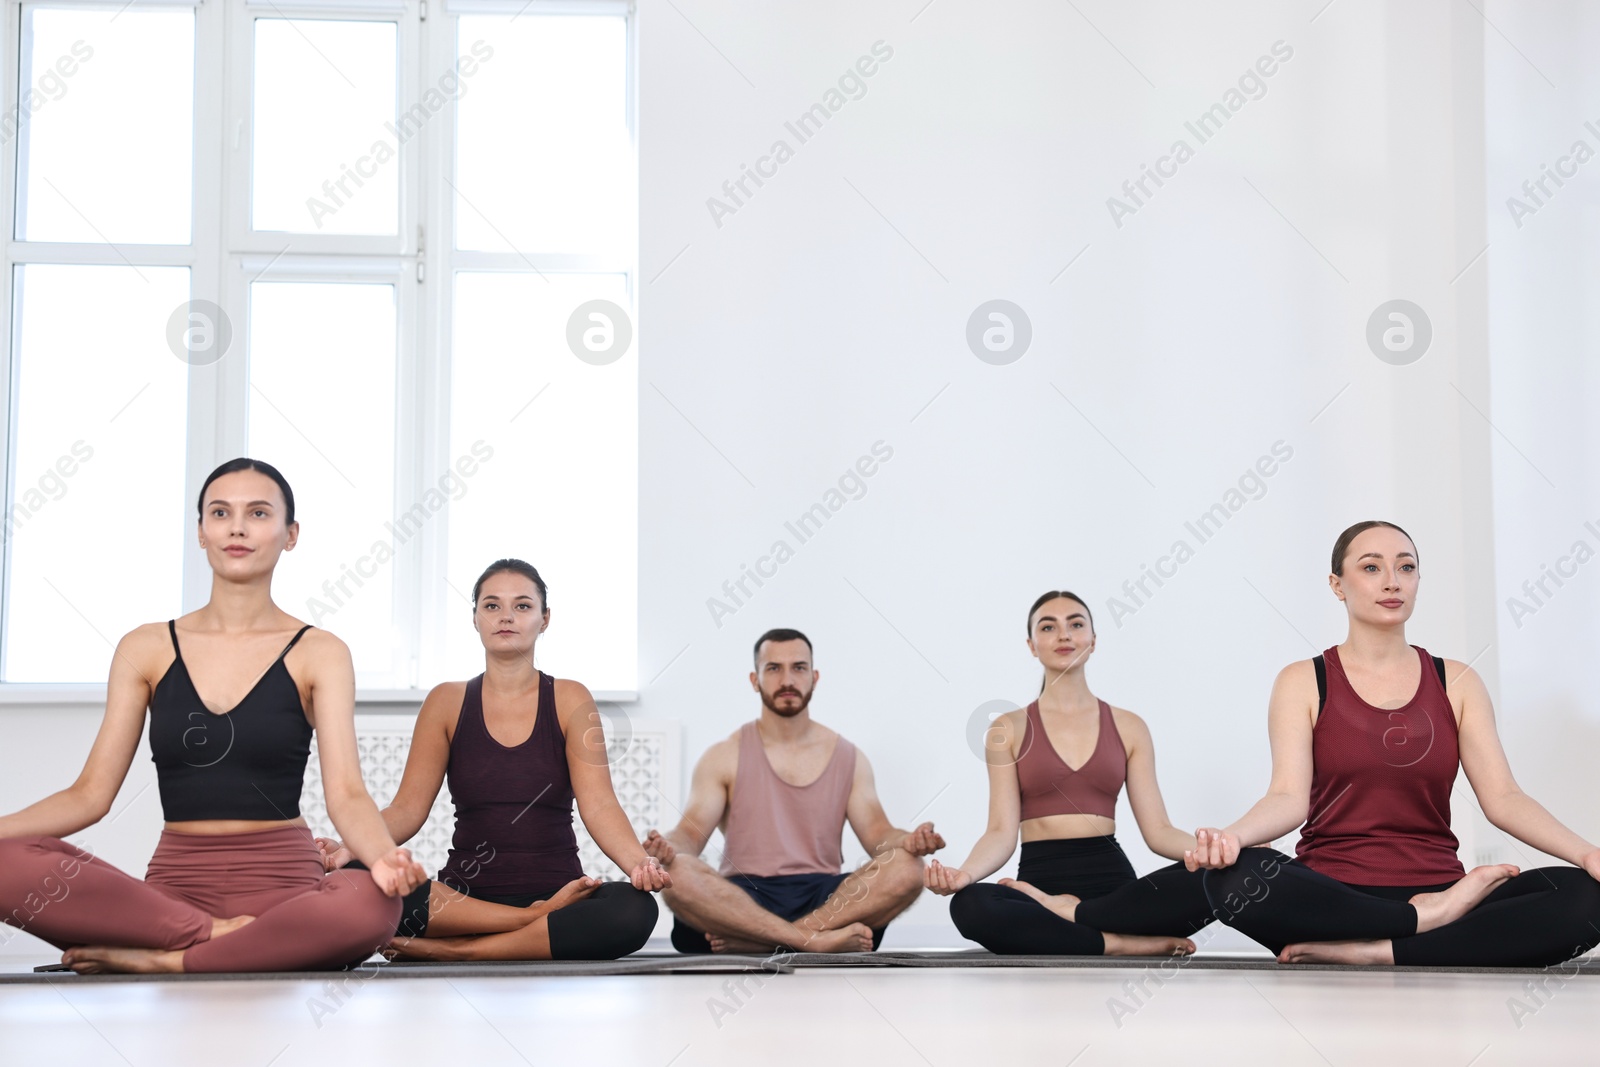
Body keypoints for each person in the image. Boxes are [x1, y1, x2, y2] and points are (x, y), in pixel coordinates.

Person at [0, 458, 424, 973]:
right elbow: (89, 795)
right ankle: (207, 939)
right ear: (201, 532)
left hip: (286, 895)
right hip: (170, 900)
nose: (238, 527)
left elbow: (347, 795)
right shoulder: (146, 646)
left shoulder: (320, 651)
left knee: (375, 903)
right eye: (220, 513)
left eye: (259, 512)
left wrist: (382, 858)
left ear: (291, 535)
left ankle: (165, 962)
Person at [1185, 521, 1600, 966]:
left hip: (1441, 886)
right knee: (1229, 880)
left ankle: (1383, 949)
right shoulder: (1301, 681)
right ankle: (1416, 926)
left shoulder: (1456, 681)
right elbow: (1287, 797)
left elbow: (1504, 797)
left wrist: (1587, 853)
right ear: (1337, 585)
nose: (1392, 581)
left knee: (1586, 898)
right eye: (1371, 567)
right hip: (1333, 896)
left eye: (1406, 567)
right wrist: (1233, 838)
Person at [321, 559, 665, 961]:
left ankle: (462, 952)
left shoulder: (571, 698)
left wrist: (639, 864)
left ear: (544, 618)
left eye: (522, 606)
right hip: (463, 901)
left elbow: (600, 804)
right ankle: (522, 926)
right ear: (475, 618)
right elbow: (407, 809)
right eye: (491, 605)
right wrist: (351, 847)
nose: (506, 617)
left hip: (560, 893)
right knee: (359, 882)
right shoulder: (445, 702)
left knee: (634, 909)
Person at [924, 591, 1210, 956]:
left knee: (1224, 877)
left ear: (1093, 641)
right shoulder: (1007, 729)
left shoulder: (1129, 726)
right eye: (1049, 626)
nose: (1064, 635)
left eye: (1076, 624)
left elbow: (1159, 832)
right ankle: (1115, 943)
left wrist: (1218, 854)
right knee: (969, 905)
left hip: (1114, 890)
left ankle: (1080, 919)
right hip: (1039, 888)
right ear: (1031, 645)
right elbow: (1000, 832)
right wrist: (964, 875)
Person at [643, 629, 942, 954]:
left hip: (824, 900)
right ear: (755, 679)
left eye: (798, 668)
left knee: (908, 868)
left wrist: (908, 842)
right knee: (679, 872)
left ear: (814, 677)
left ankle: (760, 941)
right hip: (743, 897)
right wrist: (668, 847)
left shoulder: (849, 757)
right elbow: (690, 834)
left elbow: (879, 835)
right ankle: (811, 942)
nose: (787, 679)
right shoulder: (723, 755)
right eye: (773, 668)